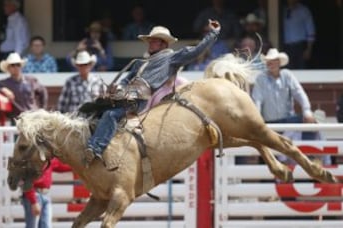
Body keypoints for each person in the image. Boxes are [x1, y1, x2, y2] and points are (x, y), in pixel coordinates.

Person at [84, 20, 221, 165]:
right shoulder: (141, 62)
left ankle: (96, 148)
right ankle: (95, 144)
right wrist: (117, 87)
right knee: (93, 109)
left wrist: (213, 33)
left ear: (163, 44)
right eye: (149, 41)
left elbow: (197, 50)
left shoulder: (171, 58)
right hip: (127, 94)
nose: (149, 43)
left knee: (111, 114)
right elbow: (126, 79)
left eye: (153, 41)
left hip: (138, 99)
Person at [251, 48, 329, 165]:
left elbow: (299, 93)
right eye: (268, 61)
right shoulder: (261, 79)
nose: (270, 63)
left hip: (288, 122)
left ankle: (310, 154)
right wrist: (257, 119)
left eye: (273, 60)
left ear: (279, 62)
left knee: (310, 120)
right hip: (270, 123)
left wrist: (307, 111)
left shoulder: (287, 75)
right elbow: (257, 100)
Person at [0, 52, 47, 121]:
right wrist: (2, 89)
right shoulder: (4, 83)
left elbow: (43, 91)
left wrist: (42, 110)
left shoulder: (31, 80)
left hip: (34, 118)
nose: (16, 67)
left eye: (18, 65)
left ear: (21, 66)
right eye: (13, 65)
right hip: (17, 120)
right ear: (8, 68)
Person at [22, 158, 71, 228]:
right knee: (32, 226)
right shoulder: (31, 160)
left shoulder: (50, 161)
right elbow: (27, 181)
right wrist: (33, 202)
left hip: (45, 195)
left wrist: (78, 166)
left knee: (45, 225)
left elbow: (62, 166)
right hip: (34, 195)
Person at [283, 0, 315, 69]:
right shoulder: (283, 10)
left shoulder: (304, 11)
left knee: (301, 70)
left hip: (300, 47)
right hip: (286, 47)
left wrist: (309, 49)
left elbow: (310, 31)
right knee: (288, 71)